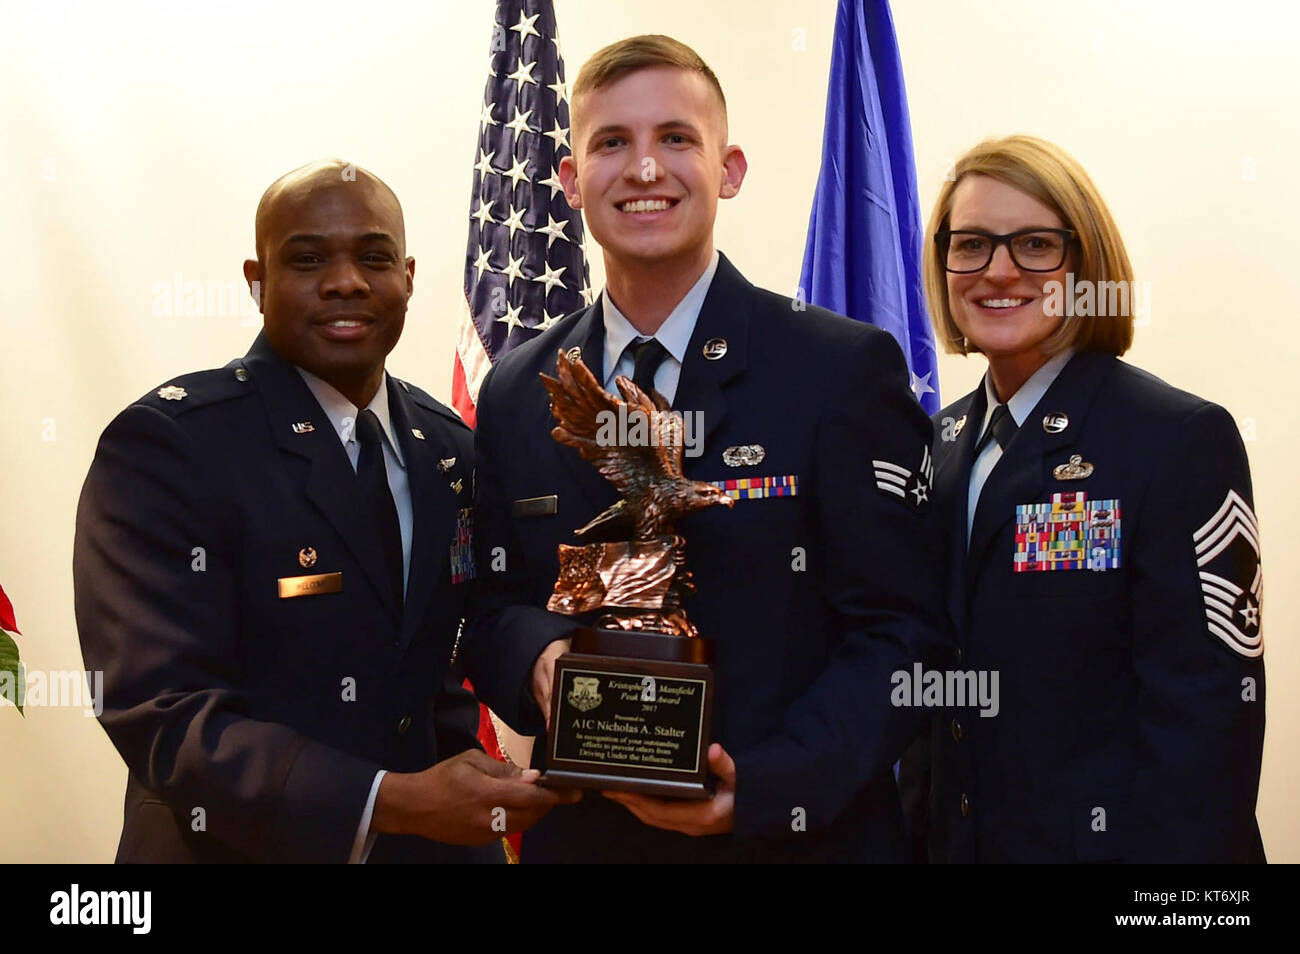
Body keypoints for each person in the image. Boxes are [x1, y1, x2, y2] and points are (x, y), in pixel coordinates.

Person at [463, 35, 950, 863]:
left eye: (676, 139)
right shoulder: (517, 389)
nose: (645, 169)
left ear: (729, 170)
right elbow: (486, 606)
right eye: (612, 142)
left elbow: (904, 634)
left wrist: (767, 789)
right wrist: (538, 659)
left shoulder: (838, 369)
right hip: (588, 844)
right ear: (572, 182)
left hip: (796, 842)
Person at [73, 159, 575, 863]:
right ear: (257, 283)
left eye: (373, 257)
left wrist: (538, 699)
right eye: (308, 259)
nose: (346, 281)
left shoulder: (449, 447)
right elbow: (162, 712)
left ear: (408, 277)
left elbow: (439, 663)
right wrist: (390, 801)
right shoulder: (172, 446)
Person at [913, 135, 1266, 862]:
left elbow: (1205, 733)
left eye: (1036, 244)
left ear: (1085, 264)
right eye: (971, 243)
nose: (999, 270)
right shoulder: (939, 443)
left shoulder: (1176, 439)